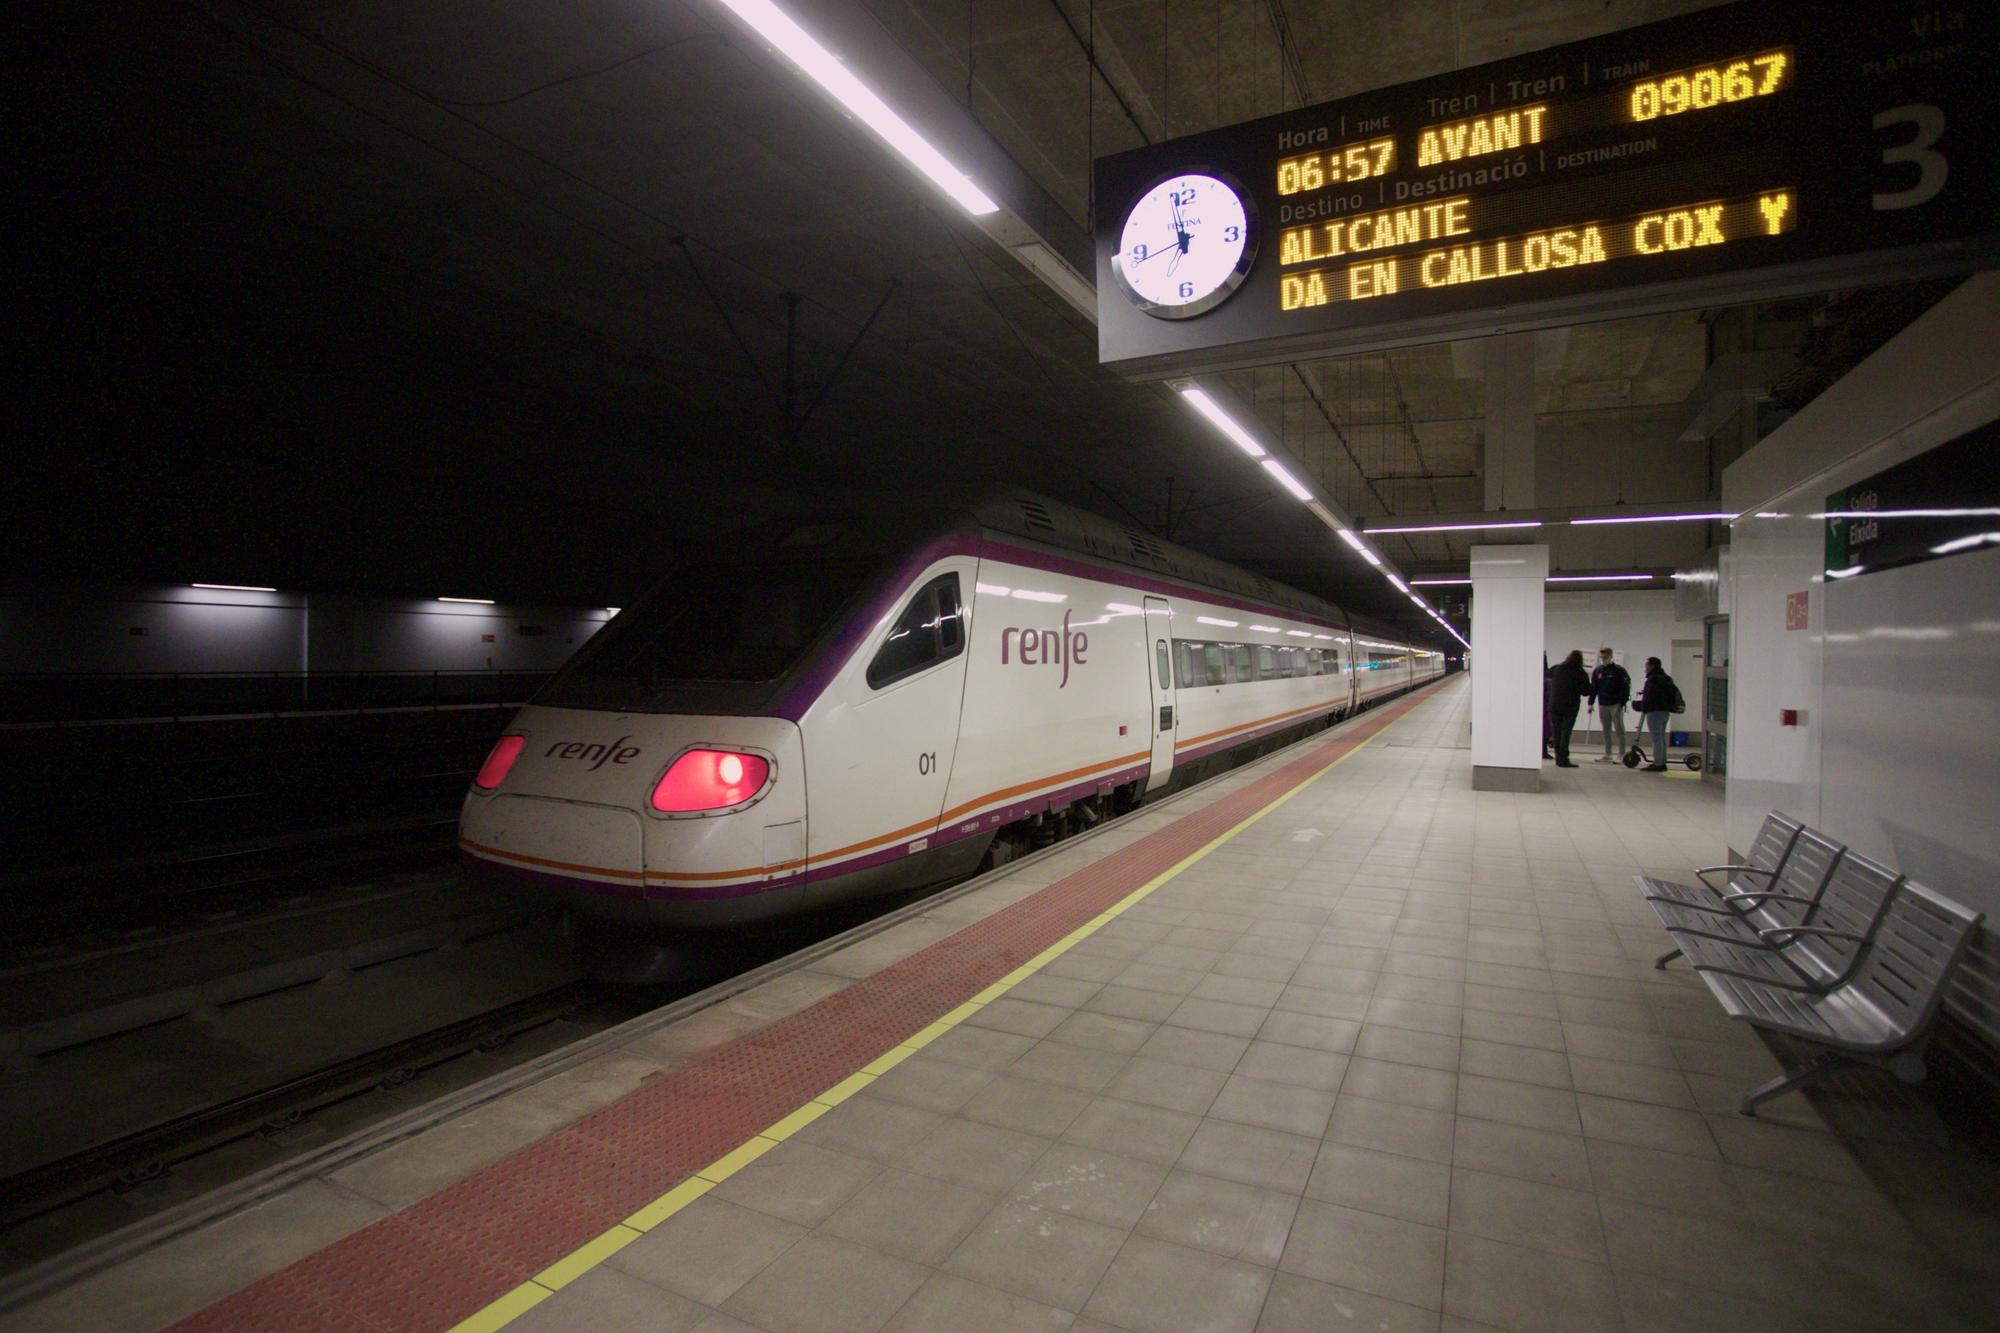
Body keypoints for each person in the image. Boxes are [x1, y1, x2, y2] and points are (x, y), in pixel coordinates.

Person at [1631, 656, 1679, 772]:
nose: (1645, 668)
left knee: (1656, 739)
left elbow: (1650, 698)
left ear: (1652, 666)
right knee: (1661, 738)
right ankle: (1662, 761)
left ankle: (1657, 764)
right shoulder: (1666, 678)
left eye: (1646, 665)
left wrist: (1638, 705)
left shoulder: (1652, 680)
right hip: (1665, 711)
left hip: (1654, 712)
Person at [1547, 650, 1590, 768]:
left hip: (1554, 705)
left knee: (1556, 733)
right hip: (1570, 707)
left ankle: (1558, 759)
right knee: (1566, 733)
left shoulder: (1558, 668)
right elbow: (1586, 692)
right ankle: (1564, 759)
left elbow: (1546, 673)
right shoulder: (1580, 673)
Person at [1587, 647, 1631, 763]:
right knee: (1606, 730)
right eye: (1601, 657)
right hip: (1603, 704)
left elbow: (1626, 687)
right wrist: (1590, 703)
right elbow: (1593, 688)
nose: (1603, 659)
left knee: (1619, 729)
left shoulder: (1619, 670)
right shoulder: (1598, 670)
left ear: (1611, 656)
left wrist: (1622, 702)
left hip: (1616, 704)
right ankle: (1608, 753)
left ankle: (1622, 754)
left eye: (1605, 657)